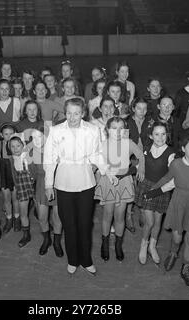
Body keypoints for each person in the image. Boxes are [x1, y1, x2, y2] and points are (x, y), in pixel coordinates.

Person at [44, 97, 117, 275]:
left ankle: (86, 260)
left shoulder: (92, 130)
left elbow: (97, 154)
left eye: (76, 113)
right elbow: (49, 158)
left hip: (85, 182)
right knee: (69, 224)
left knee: (85, 224)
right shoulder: (55, 130)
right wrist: (48, 184)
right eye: (69, 113)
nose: (72, 117)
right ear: (65, 113)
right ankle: (73, 260)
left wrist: (107, 171)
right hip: (64, 182)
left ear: (83, 113)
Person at [146, 134, 189, 290]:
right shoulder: (176, 164)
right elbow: (167, 179)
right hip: (178, 204)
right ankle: (173, 252)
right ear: (183, 149)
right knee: (177, 238)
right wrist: (153, 190)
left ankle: (186, 266)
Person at [95, 117, 145, 261]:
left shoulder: (128, 143)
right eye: (113, 128)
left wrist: (141, 167)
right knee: (107, 215)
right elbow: (97, 162)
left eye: (121, 128)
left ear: (125, 130)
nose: (117, 132)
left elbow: (141, 155)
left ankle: (118, 244)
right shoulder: (103, 145)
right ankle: (105, 244)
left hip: (123, 182)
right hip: (108, 182)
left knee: (120, 215)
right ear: (107, 129)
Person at [134, 122, 175, 265]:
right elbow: (140, 164)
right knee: (149, 222)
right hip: (147, 187)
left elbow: (172, 175)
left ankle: (152, 245)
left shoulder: (171, 153)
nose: (160, 137)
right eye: (157, 134)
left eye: (163, 134)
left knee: (158, 221)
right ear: (151, 136)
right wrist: (138, 167)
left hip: (161, 189)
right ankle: (143, 245)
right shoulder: (145, 149)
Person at [26, 127, 63, 256]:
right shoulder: (31, 154)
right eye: (33, 137)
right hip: (41, 185)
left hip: (58, 184)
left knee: (58, 217)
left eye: (39, 136)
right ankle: (46, 240)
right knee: (42, 217)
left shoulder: (56, 150)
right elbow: (33, 174)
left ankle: (57, 242)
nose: (36, 140)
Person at [8, 136, 35, 247]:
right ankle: (26, 235)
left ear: (23, 146)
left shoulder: (29, 156)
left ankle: (46, 228)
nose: (15, 148)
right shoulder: (12, 159)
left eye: (18, 145)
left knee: (41, 210)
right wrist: (16, 186)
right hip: (21, 186)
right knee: (23, 213)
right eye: (12, 146)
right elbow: (14, 175)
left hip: (34, 185)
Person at [0, 123, 20, 233]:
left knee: (15, 198)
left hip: (14, 174)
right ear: (1, 135)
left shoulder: (17, 145)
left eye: (11, 134)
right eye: (6, 134)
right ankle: (9, 219)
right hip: (3, 174)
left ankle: (17, 218)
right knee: (6, 199)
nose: (9, 136)